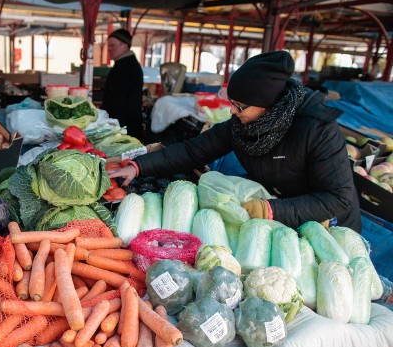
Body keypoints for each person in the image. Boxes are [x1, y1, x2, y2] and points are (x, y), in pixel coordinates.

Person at [109, 50, 362, 232]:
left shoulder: (317, 129)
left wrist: (272, 210)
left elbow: (338, 198)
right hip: (274, 207)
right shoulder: (241, 125)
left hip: (327, 224)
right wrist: (138, 165)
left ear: (268, 106)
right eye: (232, 103)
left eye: (239, 106)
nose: (232, 111)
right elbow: (192, 151)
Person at [101, 29, 144, 140]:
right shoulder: (124, 63)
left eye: (112, 45)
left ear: (124, 46)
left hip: (124, 126)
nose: (109, 49)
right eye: (109, 46)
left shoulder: (126, 67)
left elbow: (116, 100)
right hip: (125, 124)